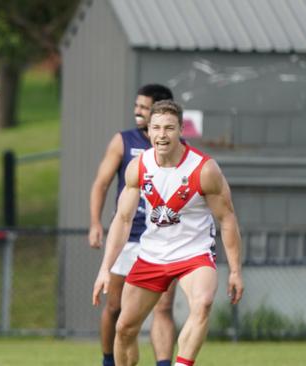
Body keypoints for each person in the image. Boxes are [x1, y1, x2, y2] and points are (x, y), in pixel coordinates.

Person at [92, 100, 244, 366]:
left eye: (169, 128)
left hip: (193, 254)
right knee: (124, 329)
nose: (162, 135)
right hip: (152, 254)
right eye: (157, 128)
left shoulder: (204, 169)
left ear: (180, 131)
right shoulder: (138, 167)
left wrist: (234, 270)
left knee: (204, 302)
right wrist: (105, 268)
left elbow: (227, 219)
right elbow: (123, 219)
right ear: (148, 131)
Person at [88, 84, 177, 366]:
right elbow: (101, 184)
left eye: (144, 107)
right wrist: (95, 223)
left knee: (162, 308)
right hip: (127, 238)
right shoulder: (123, 141)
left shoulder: (180, 151)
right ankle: (108, 361)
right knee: (114, 307)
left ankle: (163, 363)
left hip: (163, 240)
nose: (137, 111)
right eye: (136, 106)